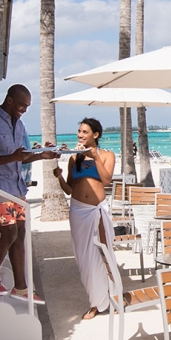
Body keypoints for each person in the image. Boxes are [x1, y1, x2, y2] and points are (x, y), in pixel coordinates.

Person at [0, 84, 60, 303]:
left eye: (27, 106)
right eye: (22, 105)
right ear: (9, 100)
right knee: (9, 234)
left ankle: (21, 287)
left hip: (16, 187)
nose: (25, 109)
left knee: (20, 235)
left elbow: (21, 156)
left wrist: (42, 155)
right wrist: (13, 158)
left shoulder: (19, 126)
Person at [53, 118, 115, 320]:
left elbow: (106, 180)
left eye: (85, 132)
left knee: (104, 251)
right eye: (79, 131)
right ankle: (96, 302)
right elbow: (70, 190)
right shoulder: (74, 158)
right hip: (78, 210)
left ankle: (113, 294)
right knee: (84, 258)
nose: (80, 135)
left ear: (95, 135)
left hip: (97, 209)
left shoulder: (107, 155)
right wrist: (60, 177)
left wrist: (95, 156)